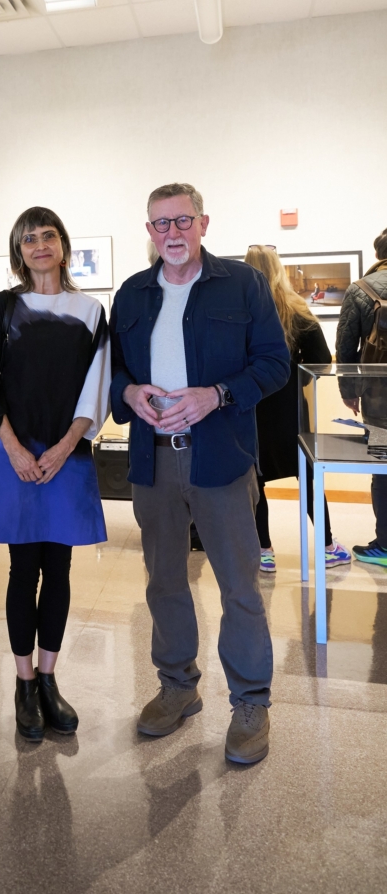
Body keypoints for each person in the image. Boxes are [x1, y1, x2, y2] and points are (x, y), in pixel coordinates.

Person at [110, 182, 289, 766]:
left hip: (221, 457)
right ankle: (177, 686)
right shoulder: (132, 294)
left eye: (182, 221)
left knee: (239, 586)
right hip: (153, 461)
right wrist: (128, 393)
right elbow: (113, 373)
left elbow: (275, 363)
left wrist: (217, 394)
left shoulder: (243, 284)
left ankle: (250, 702)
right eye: (161, 224)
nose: (173, 233)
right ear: (149, 231)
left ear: (203, 223)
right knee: (164, 580)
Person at [0, 207, 110, 742]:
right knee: (23, 570)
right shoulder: (1, 308)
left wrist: (66, 446)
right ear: (18, 252)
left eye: (48, 235)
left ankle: (49, 680)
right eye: (28, 239)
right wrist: (13, 449)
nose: (40, 245)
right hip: (15, 455)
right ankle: (24, 683)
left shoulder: (91, 311)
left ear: (64, 246)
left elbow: (97, 385)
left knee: (60, 568)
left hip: (67, 456)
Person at [245, 246, 350, 573]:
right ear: (279, 268)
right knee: (307, 476)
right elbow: (321, 360)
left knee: (255, 480)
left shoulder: (241, 309)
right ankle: (328, 546)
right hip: (290, 408)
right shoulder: (297, 310)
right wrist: (295, 370)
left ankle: (263, 551)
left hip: (250, 406)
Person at [336, 227, 387, 562]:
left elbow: (345, 346)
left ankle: (385, 544)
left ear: (378, 254)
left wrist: (349, 392)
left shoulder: (361, 289)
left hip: (378, 400)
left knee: (383, 468)